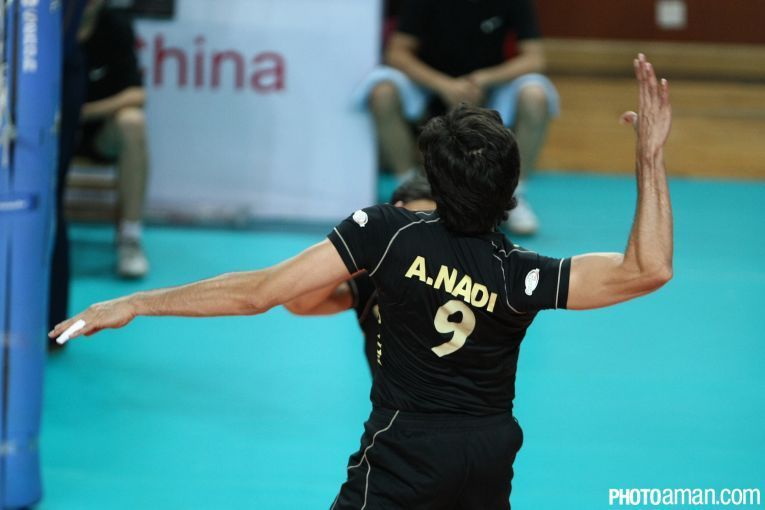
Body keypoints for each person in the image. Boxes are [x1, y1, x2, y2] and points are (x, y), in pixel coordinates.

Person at [51, 55, 673, 509]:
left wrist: (137, 302)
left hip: (407, 450)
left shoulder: (388, 233)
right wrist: (649, 157)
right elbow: (648, 269)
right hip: (489, 455)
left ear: (435, 183)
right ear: (511, 190)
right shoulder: (523, 274)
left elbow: (259, 292)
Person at [359, 0, 558, 235]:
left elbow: (534, 58)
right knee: (382, 93)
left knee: (536, 96)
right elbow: (397, 52)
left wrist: (483, 79)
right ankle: (410, 191)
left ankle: (513, 196)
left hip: (489, 87)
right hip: (429, 85)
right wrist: (443, 85)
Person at [285, 176, 436, 376]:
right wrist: (361, 252)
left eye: (431, 228)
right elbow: (298, 303)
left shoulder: (465, 278)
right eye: (413, 223)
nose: (420, 239)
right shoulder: (373, 279)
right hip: (389, 397)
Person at [76, 0, 150, 278]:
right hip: (51, 134)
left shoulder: (115, 26)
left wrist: (82, 112)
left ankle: (130, 239)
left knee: (133, 123)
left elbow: (137, 94)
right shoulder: (46, 26)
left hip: (96, 132)